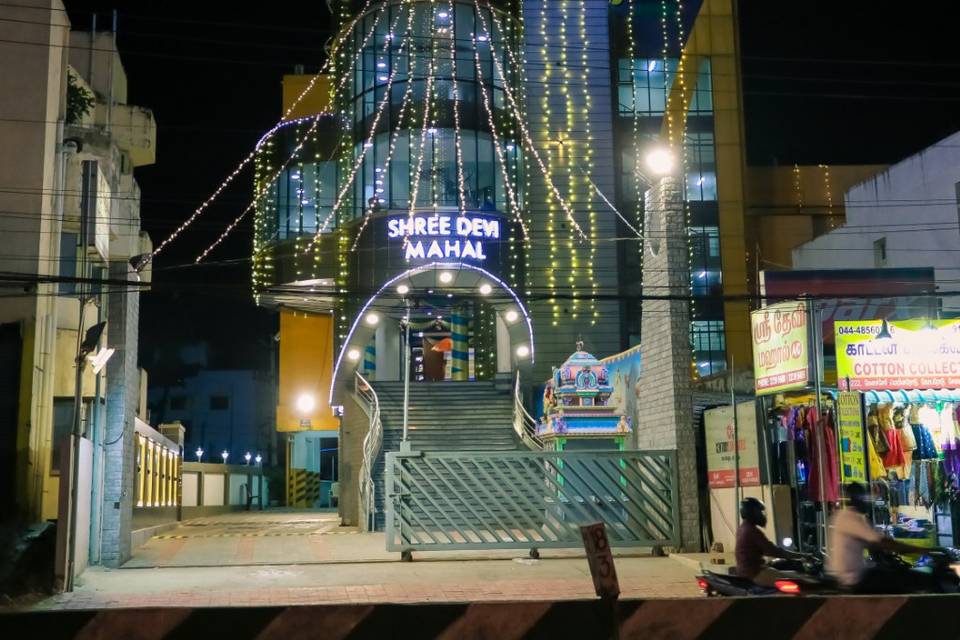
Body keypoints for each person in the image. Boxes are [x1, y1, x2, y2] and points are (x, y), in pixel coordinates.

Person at [827, 482, 933, 593]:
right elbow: (881, 542)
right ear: (857, 499)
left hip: (857, 574)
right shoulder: (848, 518)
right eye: (865, 498)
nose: (868, 502)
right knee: (904, 579)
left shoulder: (855, 518)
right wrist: (919, 550)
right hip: (852, 578)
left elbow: (874, 545)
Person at [735, 497, 806, 587]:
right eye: (759, 512)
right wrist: (800, 556)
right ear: (751, 512)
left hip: (749, 571)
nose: (761, 514)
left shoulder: (743, 528)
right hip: (755, 573)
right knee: (797, 583)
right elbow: (772, 550)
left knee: (791, 575)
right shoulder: (751, 531)